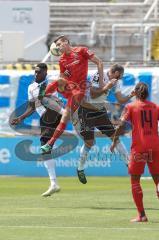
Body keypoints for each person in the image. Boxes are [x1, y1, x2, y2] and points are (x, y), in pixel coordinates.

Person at [41, 35, 104, 153]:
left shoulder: (81, 50)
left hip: (79, 89)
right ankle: (43, 94)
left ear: (66, 42)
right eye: (57, 46)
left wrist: (101, 82)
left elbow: (99, 62)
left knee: (65, 116)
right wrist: (64, 77)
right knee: (59, 80)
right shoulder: (62, 60)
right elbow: (62, 77)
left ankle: (50, 144)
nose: (58, 47)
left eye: (59, 44)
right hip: (69, 88)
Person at [75, 64, 135, 184]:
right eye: (118, 76)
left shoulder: (115, 82)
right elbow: (92, 94)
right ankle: (80, 168)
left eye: (120, 78)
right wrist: (107, 87)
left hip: (100, 111)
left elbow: (120, 100)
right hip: (86, 111)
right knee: (89, 142)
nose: (118, 80)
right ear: (113, 72)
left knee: (115, 137)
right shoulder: (98, 75)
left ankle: (129, 165)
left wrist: (131, 95)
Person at [11, 63, 63, 197]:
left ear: (45, 72)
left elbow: (63, 82)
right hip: (45, 119)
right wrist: (20, 118)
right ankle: (53, 183)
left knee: (46, 101)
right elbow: (31, 107)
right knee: (45, 148)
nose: (36, 74)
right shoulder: (31, 87)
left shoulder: (52, 80)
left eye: (39, 72)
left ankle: (67, 114)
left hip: (54, 111)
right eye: (35, 72)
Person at [110, 82, 159, 222]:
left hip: (139, 148)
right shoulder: (155, 107)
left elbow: (120, 124)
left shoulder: (131, 107)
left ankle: (142, 215)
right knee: (158, 181)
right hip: (155, 147)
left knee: (135, 180)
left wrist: (114, 142)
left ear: (136, 92)